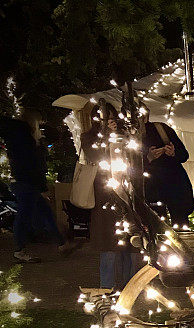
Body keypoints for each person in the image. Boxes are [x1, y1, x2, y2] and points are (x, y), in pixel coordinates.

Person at [0, 107, 77, 262]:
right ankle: (19, 251)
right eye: (40, 121)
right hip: (26, 182)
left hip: (28, 182)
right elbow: (33, 165)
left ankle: (62, 244)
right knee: (25, 216)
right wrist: (42, 187)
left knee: (44, 213)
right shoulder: (22, 134)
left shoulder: (25, 136)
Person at [80, 105, 136, 290]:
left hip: (125, 195)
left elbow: (135, 156)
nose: (109, 121)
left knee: (129, 244)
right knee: (108, 244)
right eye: (104, 118)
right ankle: (107, 287)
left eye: (111, 118)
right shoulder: (89, 137)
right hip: (104, 197)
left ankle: (130, 287)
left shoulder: (125, 135)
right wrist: (105, 136)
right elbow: (93, 155)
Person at [140, 105, 194, 229]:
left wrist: (173, 153)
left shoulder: (161, 128)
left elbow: (184, 155)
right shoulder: (129, 134)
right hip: (150, 187)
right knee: (157, 225)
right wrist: (148, 158)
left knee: (180, 223)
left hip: (174, 184)